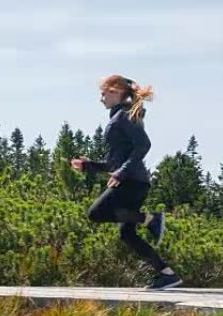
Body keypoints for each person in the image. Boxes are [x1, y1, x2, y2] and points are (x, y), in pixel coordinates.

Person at [70, 74, 182, 290]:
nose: (100, 98)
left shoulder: (123, 116)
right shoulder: (119, 116)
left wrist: (121, 173)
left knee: (96, 213)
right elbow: (115, 161)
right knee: (127, 234)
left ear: (115, 91)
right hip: (133, 181)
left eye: (103, 93)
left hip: (132, 182)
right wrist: (89, 165)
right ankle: (167, 274)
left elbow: (144, 145)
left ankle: (151, 220)